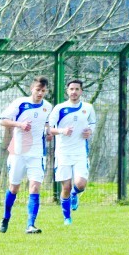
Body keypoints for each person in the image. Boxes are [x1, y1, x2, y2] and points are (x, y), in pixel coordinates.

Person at [0, 76, 53, 234]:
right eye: (38, 90)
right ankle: (6, 217)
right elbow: (3, 120)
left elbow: (47, 124)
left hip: (36, 153)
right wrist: (20, 124)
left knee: (35, 187)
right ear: (32, 89)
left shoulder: (48, 107)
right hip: (18, 152)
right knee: (14, 188)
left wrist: (49, 132)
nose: (40, 93)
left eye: (43, 91)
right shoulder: (21, 103)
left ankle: (30, 224)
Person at [48, 79, 97, 225]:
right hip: (63, 153)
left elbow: (93, 123)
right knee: (66, 187)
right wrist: (63, 131)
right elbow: (49, 128)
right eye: (71, 89)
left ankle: (76, 194)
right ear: (67, 91)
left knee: (80, 184)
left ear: (81, 91)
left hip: (80, 152)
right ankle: (67, 218)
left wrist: (90, 131)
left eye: (77, 89)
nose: (74, 92)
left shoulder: (88, 108)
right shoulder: (59, 108)